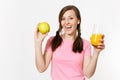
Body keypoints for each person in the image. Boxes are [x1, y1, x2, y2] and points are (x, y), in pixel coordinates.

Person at [34, 5, 105, 80]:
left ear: (78, 20)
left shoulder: (86, 44)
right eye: (63, 19)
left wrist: (96, 53)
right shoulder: (52, 41)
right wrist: (38, 43)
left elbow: (88, 74)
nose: (66, 22)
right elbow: (41, 68)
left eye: (71, 18)